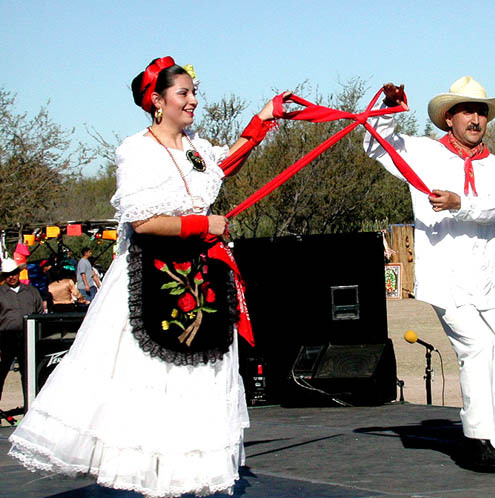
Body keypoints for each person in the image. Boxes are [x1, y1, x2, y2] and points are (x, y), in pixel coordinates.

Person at [9, 57, 284, 496]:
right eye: (183, 93)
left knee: (197, 380)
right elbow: (144, 222)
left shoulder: (195, 148)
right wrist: (203, 225)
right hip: (150, 278)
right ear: (157, 101)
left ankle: (188, 476)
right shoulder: (136, 150)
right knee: (149, 382)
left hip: (198, 276)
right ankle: (148, 478)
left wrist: (263, 119)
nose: (193, 100)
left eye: (195, 92)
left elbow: (223, 163)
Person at [364, 76, 495, 470]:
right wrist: (389, 104)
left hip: (485, 280)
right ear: (449, 118)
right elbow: (375, 143)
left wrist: (459, 202)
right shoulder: (425, 154)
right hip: (445, 278)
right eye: (467, 111)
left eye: (481, 112)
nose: (475, 119)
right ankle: (477, 439)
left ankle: (489, 442)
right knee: (477, 348)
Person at [0, 259, 44, 407]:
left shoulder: (31, 291)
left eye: (13, 274)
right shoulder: (0, 293)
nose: (11, 277)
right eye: (7, 275)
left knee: (29, 376)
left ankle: (30, 408)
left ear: (18, 273)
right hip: (6, 338)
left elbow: (39, 313)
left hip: (28, 338)